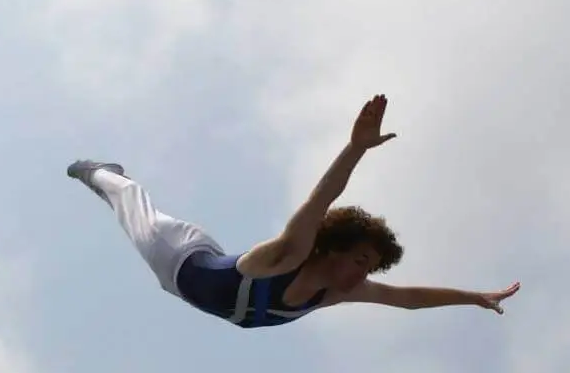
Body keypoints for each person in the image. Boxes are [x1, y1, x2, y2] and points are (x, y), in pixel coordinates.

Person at [67, 94, 521, 330]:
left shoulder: (339, 292)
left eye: (371, 267)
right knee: (128, 201)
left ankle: (106, 177)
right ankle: (101, 173)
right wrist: (356, 148)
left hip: (202, 291)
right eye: (361, 260)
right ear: (332, 249)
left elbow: (407, 298)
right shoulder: (288, 255)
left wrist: (474, 296)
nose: (364, 274)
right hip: (181, 258)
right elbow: (321, 200)